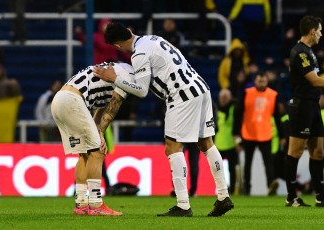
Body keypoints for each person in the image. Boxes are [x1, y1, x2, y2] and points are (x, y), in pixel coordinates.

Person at [93, 22, 234, 217]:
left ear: (117, 45)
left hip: (181, 95)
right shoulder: (153, 39)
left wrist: (114, 78)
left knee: (172, 147)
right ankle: (223, 196)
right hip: (201, 88)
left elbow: (141, 91)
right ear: (130, 32)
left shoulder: (139, 54)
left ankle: (183, 205)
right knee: (206, 143)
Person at [51, 62, 134, 216]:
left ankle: (81, 204)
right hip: (73, 100)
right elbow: (112, 109)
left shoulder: (115, 70)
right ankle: (96, 204)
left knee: (85, 154)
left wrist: (99, 132)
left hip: (60, 99)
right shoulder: (129, 77)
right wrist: (100, 135)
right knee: (98, 152)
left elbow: (102, 108)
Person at [284, 15, 324, 207]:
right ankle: (291, 197)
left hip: (313, 106)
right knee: (295, 151)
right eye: (320, 30)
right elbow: (315, 81)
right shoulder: (299, 52)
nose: (321, 34)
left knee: (318, 152)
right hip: (301, 107)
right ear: (312, 31)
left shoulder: (309, 51)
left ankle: (320, 196)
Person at [233, 72, 284, 195]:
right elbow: (237, 113)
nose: (261, 84)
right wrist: (236, 133)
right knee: (248, 163)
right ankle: (247, 188)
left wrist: (282, 135)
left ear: (267, 82)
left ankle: (271, 186)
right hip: (249, 133)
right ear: (255, 81)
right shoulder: (247, 93)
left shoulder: (273, 95)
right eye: (259, 81)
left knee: (268, 162)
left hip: (265, 133)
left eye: (264, 81)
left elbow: (277, 116)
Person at [215, 89, 238, 194]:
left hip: (231, 142)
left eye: (225, 97)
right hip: (218, 143)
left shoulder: (234, 108)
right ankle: (220, 189)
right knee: (217, 169)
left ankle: (232, 189)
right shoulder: (215, 109)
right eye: (221, 97)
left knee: (232, 169)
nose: (223, 100)